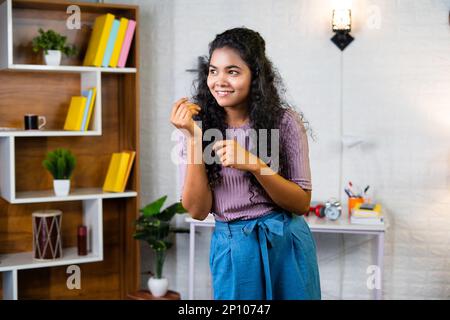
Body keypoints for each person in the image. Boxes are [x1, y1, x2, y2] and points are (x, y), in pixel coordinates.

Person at [170, 27, 321, 300]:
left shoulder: (284, 122)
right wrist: (194, 139)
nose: (219, 81)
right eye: (213, 71)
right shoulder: (196, 126)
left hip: (286, 242)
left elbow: (300, 203)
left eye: (233, 71)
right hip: (234, 250)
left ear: (256, 76)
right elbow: (197, 210)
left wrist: (255, 165)